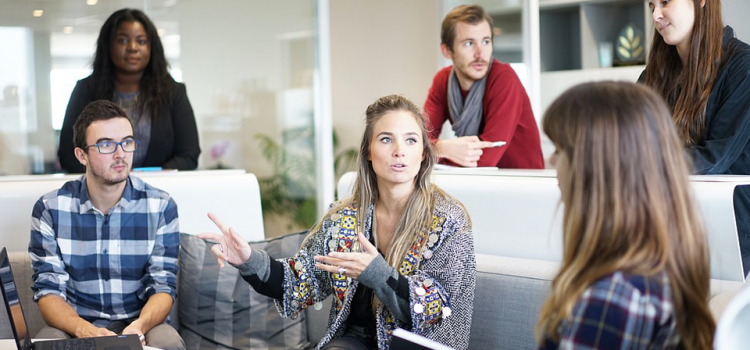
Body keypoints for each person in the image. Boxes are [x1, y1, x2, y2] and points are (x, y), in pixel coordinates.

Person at [198, 95, 476, 350]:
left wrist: (379, 275)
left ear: (424, 153)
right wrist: (248, 259)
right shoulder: (344, 217)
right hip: (355, 342)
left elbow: (436, 308)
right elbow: (300, 280)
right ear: (368, 151)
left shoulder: (449, 220)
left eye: (411, 140)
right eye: (386, 139)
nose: (399, 151)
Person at [536, 82, 714, 349]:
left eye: (560, 150)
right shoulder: (660, 268)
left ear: (595, 168)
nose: (551, 161)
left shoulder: (613, 298)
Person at [30, 100, 184, 350]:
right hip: (74, 324)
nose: (120, 153)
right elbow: (48, 292)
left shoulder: (161, 206)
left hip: (142, 323)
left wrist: (139, 327)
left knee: (169, 343)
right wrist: (85, 330)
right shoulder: (50, 209)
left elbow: (163, 285)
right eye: (106, 145)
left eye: (127, 142)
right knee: (47, 342)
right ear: (82, 155)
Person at [641, 0, 750, 275]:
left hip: (731, 236)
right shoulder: (654, 75)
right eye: (651, 5)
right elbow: (628, 141)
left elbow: (714, 158)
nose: (656, 15)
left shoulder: (742, 67)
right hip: (667, 229)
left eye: (665, 2)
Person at [58, 8, 200, 174]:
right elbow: (68, 155)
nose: (132, 48)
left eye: (141, 41)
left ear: (152, 48)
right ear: (108, 45)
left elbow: (189, 155)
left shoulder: (173, 92)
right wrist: (110, 178)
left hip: (159, 192)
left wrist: (145, 179)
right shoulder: (85, 90)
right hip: (101, 194)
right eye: (123, 41)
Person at [424, 4, 543, 169]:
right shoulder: (442, 81)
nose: (480, 53)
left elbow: (485, 159)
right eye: (468, 43)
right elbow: (417, 142)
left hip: (522, 184)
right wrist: (442, 148)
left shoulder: (503, 78)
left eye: (486, 41)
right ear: (447, 51)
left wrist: (433, 151)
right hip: (478, 183)